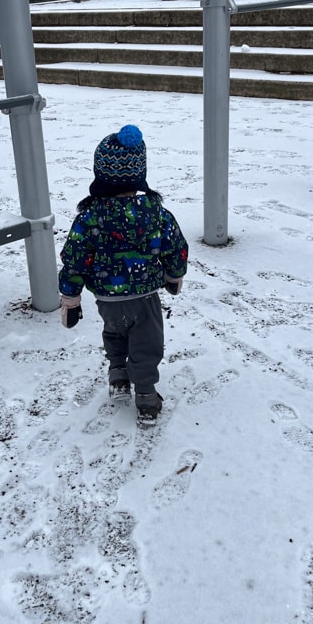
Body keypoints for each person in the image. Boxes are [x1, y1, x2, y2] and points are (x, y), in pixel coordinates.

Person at [59, 125, 188, 425]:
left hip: (106, 297)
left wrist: (70, 296)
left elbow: (74, 259)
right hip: (143, 298)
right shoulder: (155, 213)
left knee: (115, 331)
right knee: (146, 343)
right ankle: (145, 397)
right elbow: (175, 247)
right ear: (139, 174)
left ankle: (118, 375)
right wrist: (174, 276)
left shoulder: (89, 217)